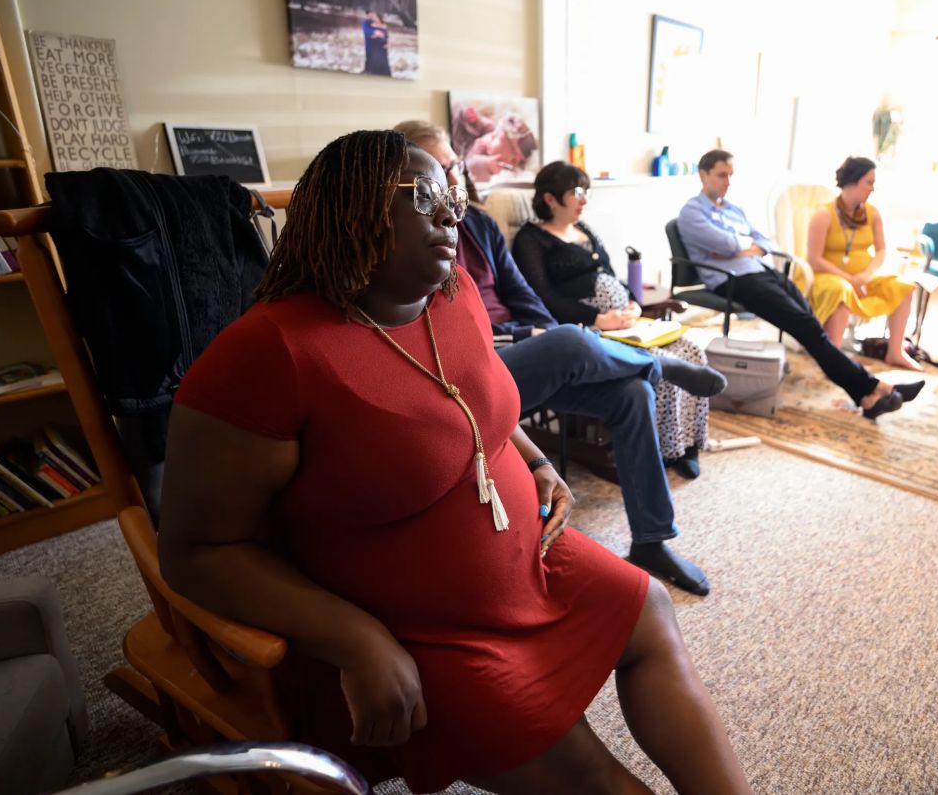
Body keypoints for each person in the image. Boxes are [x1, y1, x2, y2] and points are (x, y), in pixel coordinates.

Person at [157, 130, 751, 794]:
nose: (453, 211)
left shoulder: (453, 289)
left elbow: (472, 397)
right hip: (415, 625)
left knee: (649, 607)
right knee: (591, 774)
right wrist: (356, 639)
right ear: (352, 207)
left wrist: (533, 462)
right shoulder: (268, 353)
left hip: (527, 560)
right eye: (428, 193)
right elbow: (196, 550)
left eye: (455, 191)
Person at [394, 119, 724, 595]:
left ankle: (651, 540)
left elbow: (526, 296)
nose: (452, 178)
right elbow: (442, 325)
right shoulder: (412, 236)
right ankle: (659, 364)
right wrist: (536, 334)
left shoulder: (481, 225)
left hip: (522, 353)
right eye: (437, 170)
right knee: (572, 339)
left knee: (629, 393)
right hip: (470, 369)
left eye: (454, 165)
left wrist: (537, 331)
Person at [676, 148, 923, 420]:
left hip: (761, 271)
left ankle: (866, 395)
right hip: (733, 280)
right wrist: (743, 246)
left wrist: (741, 248)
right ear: (703, 175)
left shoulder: (734, 209)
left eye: (731, 175)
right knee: (809, 329)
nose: (728, 182)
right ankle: (874, 388)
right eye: (722, 175)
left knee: (811, 327)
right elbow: (729, 243)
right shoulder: (691, 212)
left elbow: (764, 243)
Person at [513, 161, 721, 479]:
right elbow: (542, 295)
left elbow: (611, 276)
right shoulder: (531, 239)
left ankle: (688, 446)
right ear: (551, 199)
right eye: (576, 192)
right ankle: (664, 451)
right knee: (662, 364)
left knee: (691, 350)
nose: (584, 200)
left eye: (586, 192)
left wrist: (635, 304)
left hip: (624, 319)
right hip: (589, 328)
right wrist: (598, 317)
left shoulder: (585, 231)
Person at [806, 156, 920, 371]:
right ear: (853, 182)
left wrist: (865, 275)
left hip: (863, 277)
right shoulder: (823, 215)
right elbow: (814, 259)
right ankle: (834, 358)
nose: (872, 188)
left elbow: (881, 251)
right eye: (869, 182)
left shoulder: (872, 213)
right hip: (828, 277)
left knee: (903, 287)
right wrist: (850, 280)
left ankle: (895, 352)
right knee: (841, 290)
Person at [361, 12, 391, 77]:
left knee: (384, 60)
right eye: (374, 17)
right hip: (376, 46)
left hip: (383, 47)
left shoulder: (384, 25)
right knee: (376, 60)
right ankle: (374, 73)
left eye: (375, 17)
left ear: (379, 18)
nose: (374, 18)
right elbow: (370, 35)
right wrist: (376, 35)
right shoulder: (372, 25)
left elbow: (387, 36)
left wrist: (388, 43)